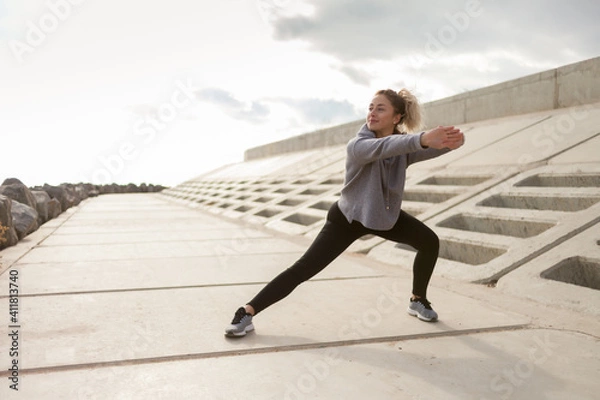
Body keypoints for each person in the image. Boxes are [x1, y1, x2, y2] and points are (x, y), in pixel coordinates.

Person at [225, 88, 465, 337]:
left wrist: (451, 140)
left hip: (383, 217)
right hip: (347, 219)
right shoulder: (358, 145)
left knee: (429, 242)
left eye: (380, 108)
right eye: (370, 107)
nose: (372, 113)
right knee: (303, 269)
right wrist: (423, 138)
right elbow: (389, 146)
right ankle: (247, 311)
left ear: (396, 118)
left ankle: (418, 299)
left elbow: (422, 146)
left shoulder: (403, 146)